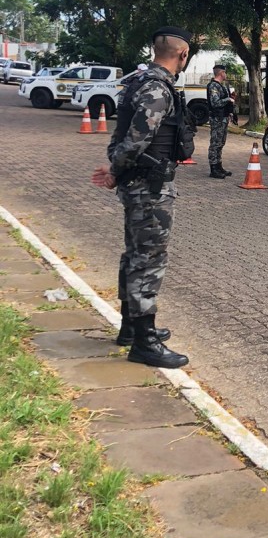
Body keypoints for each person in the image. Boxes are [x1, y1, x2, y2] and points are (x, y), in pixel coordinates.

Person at [91, 27, 195, 369]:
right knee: (149, 260)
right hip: (149, 187)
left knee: (134, 254)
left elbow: (125, 136)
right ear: (182, 55)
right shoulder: (157, 89)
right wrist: (114, 171)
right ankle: (144, 341)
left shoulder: (138, 81)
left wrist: (116, 172)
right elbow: (136, 141)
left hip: (138, 183)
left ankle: (129, 328)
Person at [206, 64, 237, 178]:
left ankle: (219, 166)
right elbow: (215, 103)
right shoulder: (213, 86)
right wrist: (228, 99)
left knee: (220, 143)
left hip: (223, 118)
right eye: (225, 72)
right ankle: (213, 168)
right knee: (215, 143)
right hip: (217, 119)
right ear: (221, 73)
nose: (226, 74)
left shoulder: (221, 86)